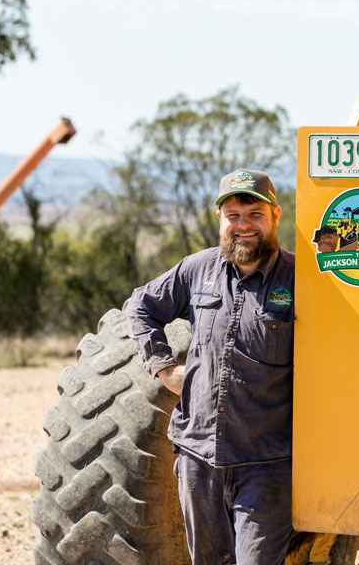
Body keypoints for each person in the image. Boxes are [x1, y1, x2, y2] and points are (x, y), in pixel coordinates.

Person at [127, 168, 294, 565]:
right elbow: (140, 306)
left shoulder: (301, 279)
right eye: (234, 215)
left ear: (276, 215)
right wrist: (164, 368)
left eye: (254, 214)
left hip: (266, 464)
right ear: (220, 219)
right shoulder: (196, 269)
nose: (243, 225)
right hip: (199, 457)